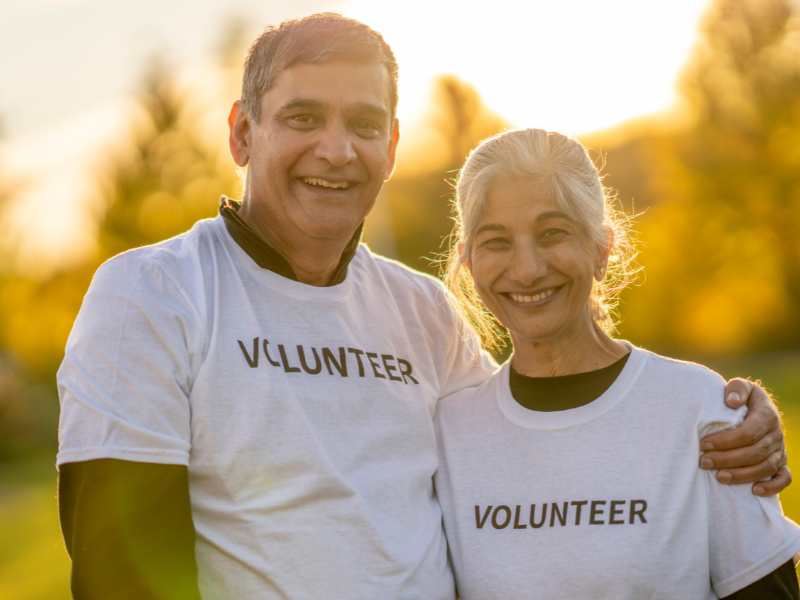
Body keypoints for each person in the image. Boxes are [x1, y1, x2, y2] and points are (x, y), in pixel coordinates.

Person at [56, 13, 789, 600]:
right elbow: (124, 574)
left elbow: (537, 438)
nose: (336, 150)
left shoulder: (423, 311)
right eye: (303, 118)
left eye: (365, 125)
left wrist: (723, 414)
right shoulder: (153, 293)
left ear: (393, 144)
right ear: (244, 133)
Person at [436, 128, 800, 599]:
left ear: (601, 249)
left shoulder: (699, 410)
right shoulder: (450, 433)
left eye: (552, 233)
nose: (526, 269)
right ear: (467, 262)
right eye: (496, 241)